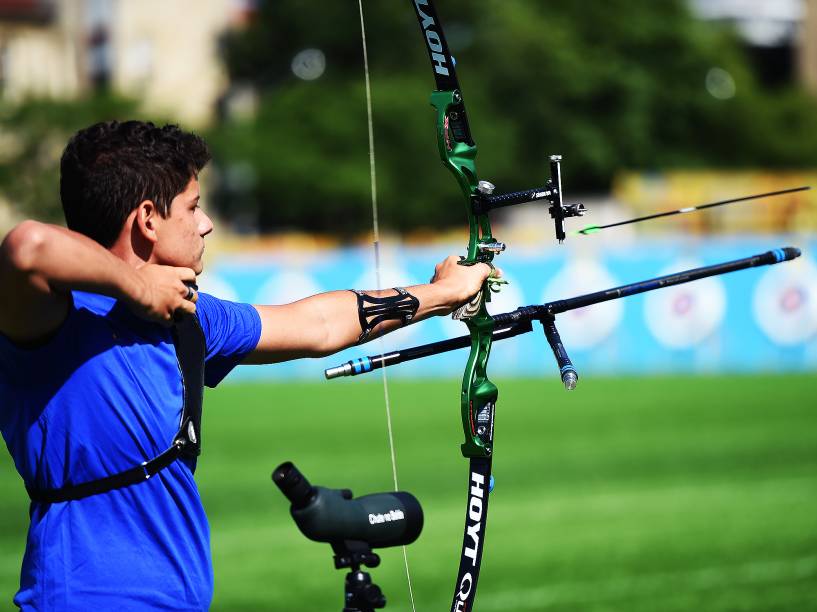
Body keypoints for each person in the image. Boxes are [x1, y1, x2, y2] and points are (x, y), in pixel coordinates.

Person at [0, 120, 493, 610]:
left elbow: (319, 323)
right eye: (192, 207)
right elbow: (28, 246)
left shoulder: (188, 315)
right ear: (149, 219)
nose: (206, 223)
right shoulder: (54, 318)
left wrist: (443, 293)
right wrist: (140, 287)